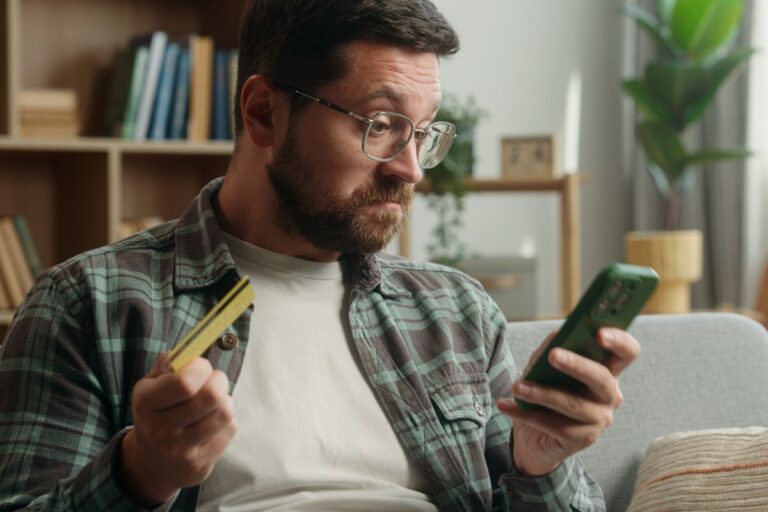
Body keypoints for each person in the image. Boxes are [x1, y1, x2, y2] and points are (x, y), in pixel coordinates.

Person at [0, 1, 637, 510]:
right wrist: (139, 475)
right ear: (263, 113)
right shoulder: (93, 302)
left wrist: (541, 461)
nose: (411, 169)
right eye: (381, 123)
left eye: (423, 131)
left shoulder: (455, 310)